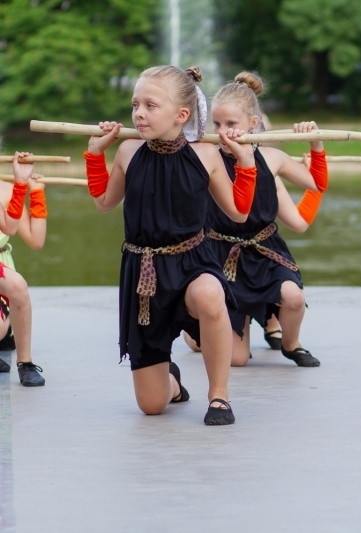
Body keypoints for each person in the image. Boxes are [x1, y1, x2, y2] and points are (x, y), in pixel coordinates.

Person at [84, 65, 258, 426]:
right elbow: (103, 202)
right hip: (144, 277)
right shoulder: (129, 152)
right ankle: (173, 382)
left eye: (150, 105)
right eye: (135, 104)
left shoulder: (206, 155)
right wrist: (94, 154)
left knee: (211, 294)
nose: (139, 113)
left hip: (193, 264)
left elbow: (240, 213)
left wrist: (246, 163)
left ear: (181, 115)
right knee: (152, 406)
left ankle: (219, 397)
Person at [184, 71, 325, 368]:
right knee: (236, 360)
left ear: (253, 124)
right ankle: (199, 331)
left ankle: (291, 343)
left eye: (232, 125)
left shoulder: (272, 158)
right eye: (218, 124)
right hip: (222, 255)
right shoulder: (207, 156)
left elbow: (315, 183)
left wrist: (316, 146)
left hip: (264, 251)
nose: (223, 132)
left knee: (294, 297)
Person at [0, 152, 47, 386]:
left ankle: (25, 362)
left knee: (17, 284)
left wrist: (29, 189)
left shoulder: (4, 190)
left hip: (2, 267)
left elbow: (11, 228)